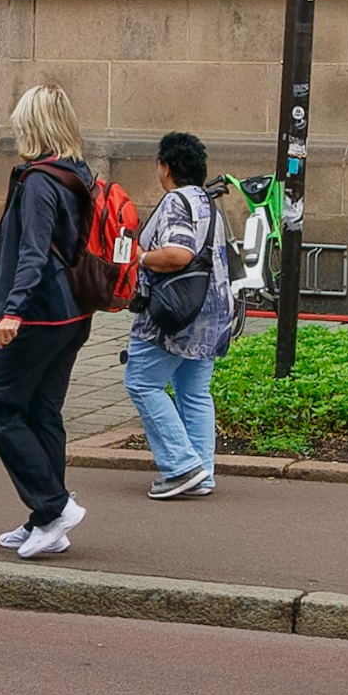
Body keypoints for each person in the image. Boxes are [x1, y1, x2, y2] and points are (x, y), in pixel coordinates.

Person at [0, 85, 100, 559]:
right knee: (42, 411)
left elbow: (32, 251)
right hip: (73, 310)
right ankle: (46, 522)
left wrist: (13, 310)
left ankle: (53, 507)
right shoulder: (78, 175)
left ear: (32, 126)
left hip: (40, 313)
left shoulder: (37, 182)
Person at [121, 129, 233, 499]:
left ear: (165, 166)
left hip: (174, 317)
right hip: (211, 312)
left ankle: (182, 467)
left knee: (141, 382)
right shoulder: (207, 201)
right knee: (195, 393)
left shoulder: (175, 202)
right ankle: (202, 472)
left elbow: (179, 254)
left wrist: (140, 258)